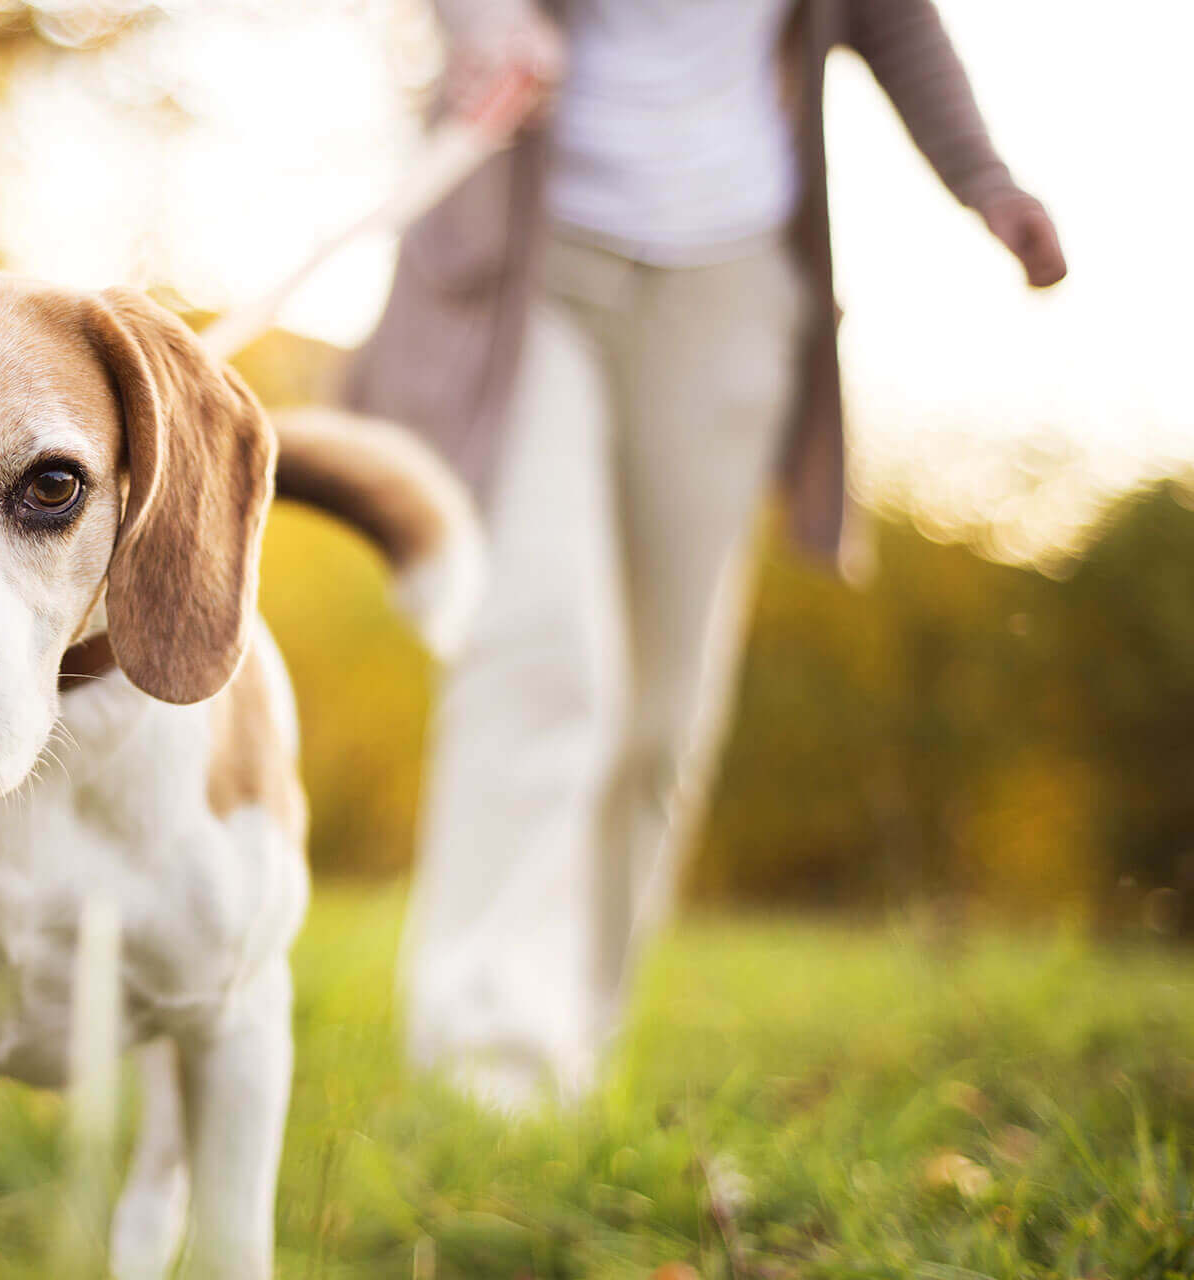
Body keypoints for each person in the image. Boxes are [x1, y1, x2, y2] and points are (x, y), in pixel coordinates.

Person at [347, 0, 1067, 1107]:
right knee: (540, 644)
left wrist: (988, 180)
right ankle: (482, 1056)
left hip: (731, 281)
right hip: (534, 257)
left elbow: (896, 21)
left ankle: (569, 1041)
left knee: (661, 704)